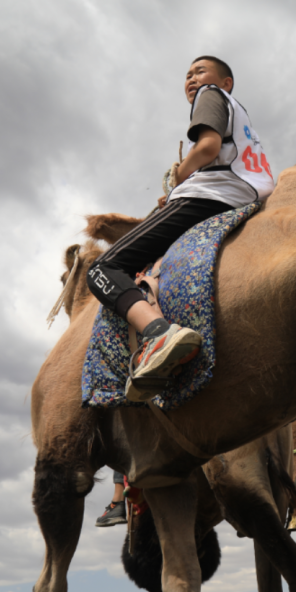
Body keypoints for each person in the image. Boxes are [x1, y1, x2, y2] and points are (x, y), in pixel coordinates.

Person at [85, 56, 275, 402]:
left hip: (212, 194)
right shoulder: (242, 118)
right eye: (187, 75)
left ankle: (157, 331)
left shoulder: (211, 95)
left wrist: (180, 177)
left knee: (103, 268)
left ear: (225, 82)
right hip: (246, 194)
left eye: (200, 71)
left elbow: (207, 147)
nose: (192, 79)